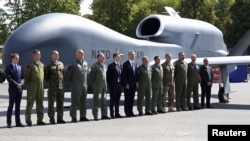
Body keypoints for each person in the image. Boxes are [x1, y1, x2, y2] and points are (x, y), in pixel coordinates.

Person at [66, 49, 89, 122]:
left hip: (84, 86)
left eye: (82, 54)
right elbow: (68, 75)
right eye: (80, 54)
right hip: (76, 86)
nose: (82, 55)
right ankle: (73, 117)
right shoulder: (73, 63)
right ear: (76, 55)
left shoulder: (85, 63)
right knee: (75, 102)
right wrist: (73, 82)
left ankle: (83, 116)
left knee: (83, 102)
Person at [24, 49, 45, 126]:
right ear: (33, 56)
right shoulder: (30, 65)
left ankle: (40, 120)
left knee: (40, 103)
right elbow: (27, 77)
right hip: (32, 87)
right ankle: (28, 120)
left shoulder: (42, 65)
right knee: (30, 103)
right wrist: (28, 87)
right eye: (37, 54)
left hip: (40, 86)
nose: (39, 56)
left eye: (39, 54)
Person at [45, 50, 65, 124]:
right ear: (52, 55)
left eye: (58, 54)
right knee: (51, 104)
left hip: (60, 87)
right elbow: (46, 77)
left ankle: (60, 118)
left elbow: (63, 75)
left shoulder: (61, 64)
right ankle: (52, 118)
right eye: (55, 54)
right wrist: (52, 82)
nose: (56, 56)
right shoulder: (49, 65)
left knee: (60, 103)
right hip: (52, 87)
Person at [5, 53, 24, 128]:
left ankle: (18, 122)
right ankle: (9, 122)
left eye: (18, 58)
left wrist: (21, 83)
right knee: (11, 106)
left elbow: (22, 77)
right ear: (12, 59)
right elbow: (9, 79)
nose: (18, 59)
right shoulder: (8, 68)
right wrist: (17, 84)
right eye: (16, 58)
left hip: (19, 90)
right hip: (13, 89)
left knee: (18, 107)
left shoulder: (20, 67)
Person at [90, 52, 110, 121]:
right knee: (97, 101)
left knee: (103, 101)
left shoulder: (105, 66)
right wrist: (96, 83)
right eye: (102, 57)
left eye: (104, 57)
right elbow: (92, 77)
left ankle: (104, 115)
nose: (103, 58)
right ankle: (95, 116)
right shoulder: (95, 66)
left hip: (104, 87)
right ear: (98, 58)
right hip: (98, 87)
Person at [122, 50, 138, 117]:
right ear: (128, 55)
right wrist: (126, 84)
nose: (133, 56)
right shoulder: (125, 64)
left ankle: (131, 111)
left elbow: (136, 74)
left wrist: (137, 82)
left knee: (132, 99)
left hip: (133, 84)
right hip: (128, 85)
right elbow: (124, 75)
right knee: (127, 99)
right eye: (131, 54)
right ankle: (127, 112)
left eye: (134, 54)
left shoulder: (135, 64)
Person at [106, 53, 123, 118]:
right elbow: (108, 76)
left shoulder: (120, 65)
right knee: (112, 100)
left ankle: (117, 113)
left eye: (119, 57)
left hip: (119, 85)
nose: (119, 58)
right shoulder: (111, 65)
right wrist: (110, 85)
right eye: (118, 57)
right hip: (113, 85)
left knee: (117, 100)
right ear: (114, 57)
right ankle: (112, 114)